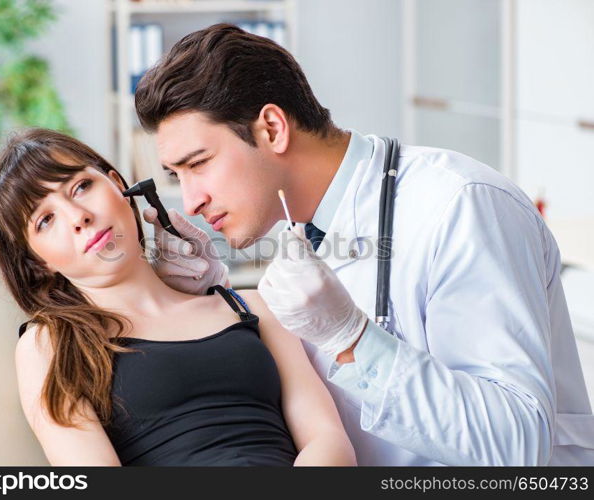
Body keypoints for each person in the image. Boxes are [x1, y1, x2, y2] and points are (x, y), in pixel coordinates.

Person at [134, 23, 594, 465]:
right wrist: (222, 298)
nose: (191, 202)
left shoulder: (460, 205)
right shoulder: (297, 224)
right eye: (178, 176)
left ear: (272, 128)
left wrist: (352, 338)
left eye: (199, 164)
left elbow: (517, 445)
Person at [0, 128, 356, 466]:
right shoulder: (51, 345)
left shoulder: (252, 306)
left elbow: (328, 440)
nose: (78, 216)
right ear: (37, 262)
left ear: (118, 184)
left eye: (81, 187)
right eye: (45, 220)